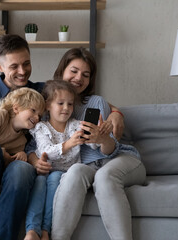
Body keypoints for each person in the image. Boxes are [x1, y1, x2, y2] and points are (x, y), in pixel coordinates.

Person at [0, 34, 124, 240]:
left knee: (21, 172)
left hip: (20, 161)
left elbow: (80, 99)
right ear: (0, 67)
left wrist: (116, 113)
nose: (22, 71)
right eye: (14, 66)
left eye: (26, 63)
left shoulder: (40, 91)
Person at [29, 47, 147, 240]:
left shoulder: (94, 103)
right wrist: (35, 160)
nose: (78, 78)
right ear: (62, 71)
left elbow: (108, 150)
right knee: (74, 172)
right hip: (86, 167)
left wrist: (102, 138)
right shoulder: (49, 106)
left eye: (85, 74)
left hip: (117, 160)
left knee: (104, 176)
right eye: (73, 71)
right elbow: (34, 145)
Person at [24, 80, 116, 240]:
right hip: (43, 170)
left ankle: (45, 230)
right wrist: (69, 143)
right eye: (60, 103)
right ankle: (32, 230)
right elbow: (46, 150)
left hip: (65, 175)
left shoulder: (76, 126)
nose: (66, 108)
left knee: (54, 179)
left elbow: (93, 147)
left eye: (70, 104)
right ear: (47, 105)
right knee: (39, 184)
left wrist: (99, 136)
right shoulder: (41, 127)